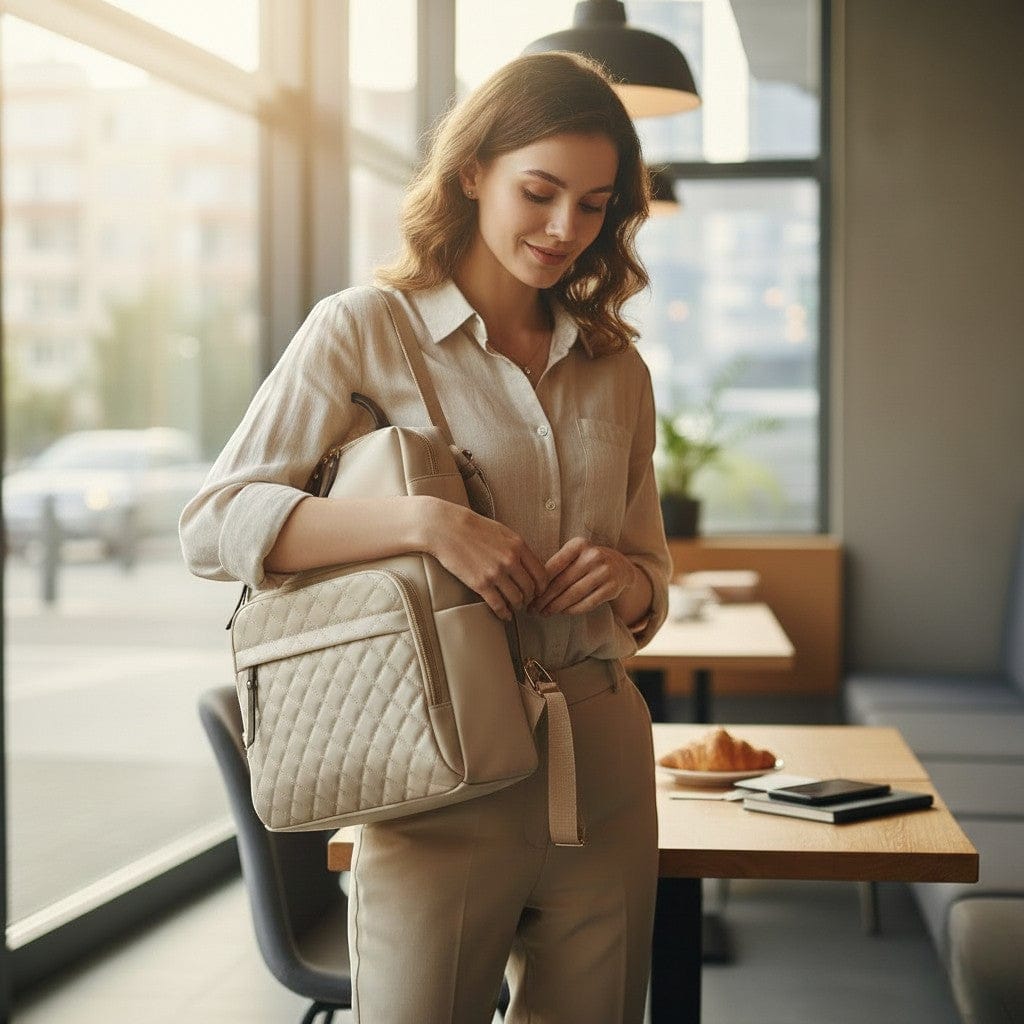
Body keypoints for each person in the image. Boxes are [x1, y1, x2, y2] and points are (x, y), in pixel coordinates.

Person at [180, 50, 671, 1024]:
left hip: (604, 761)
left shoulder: (618, 368)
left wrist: (623, 577)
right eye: (540, 192)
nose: (564, 228)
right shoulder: (364, 329)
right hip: (433, 770)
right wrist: (425, 521)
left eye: (594, 205)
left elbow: (653, 579)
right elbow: (214, 522)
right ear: (471, 172)